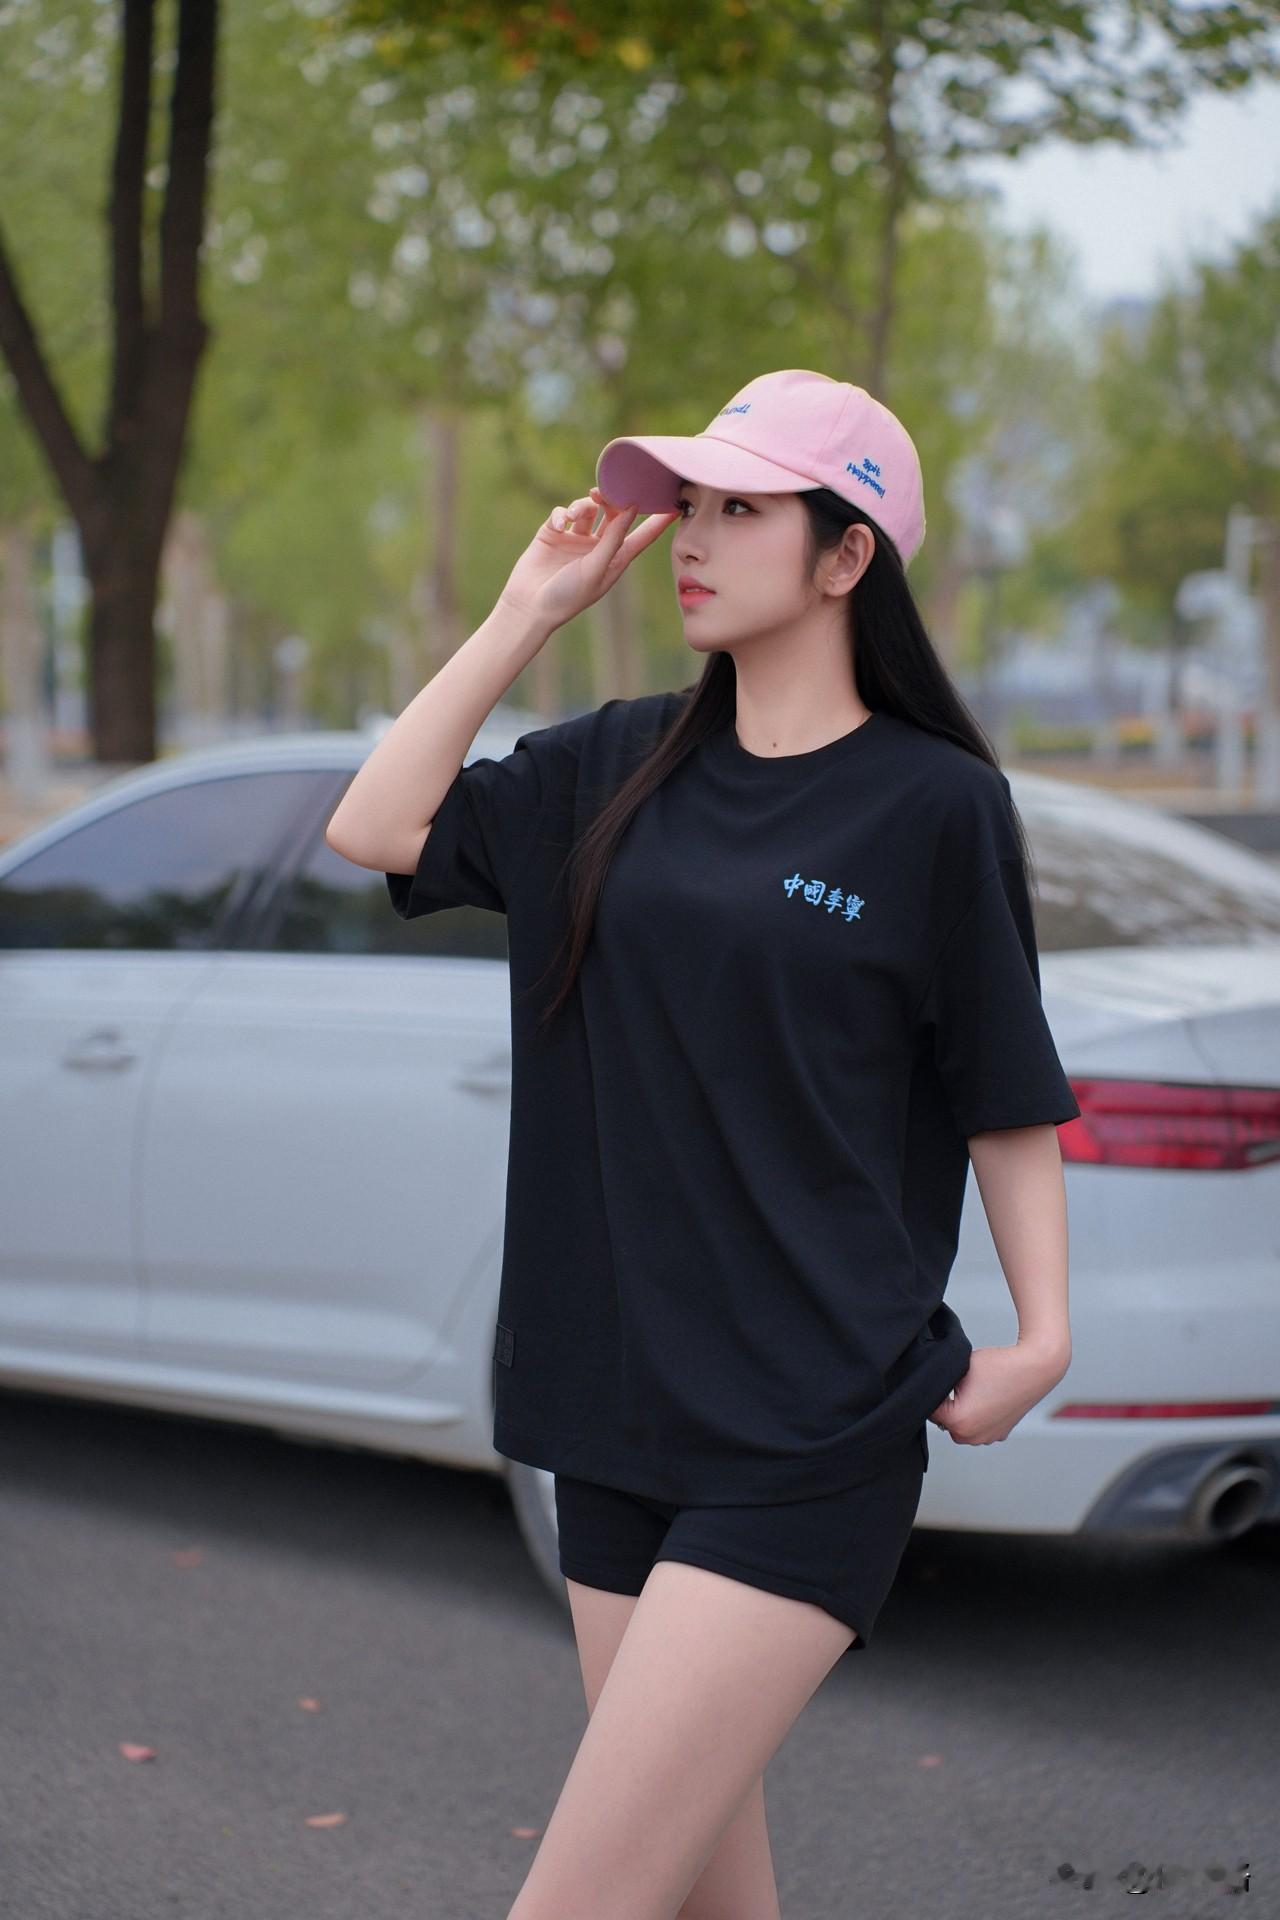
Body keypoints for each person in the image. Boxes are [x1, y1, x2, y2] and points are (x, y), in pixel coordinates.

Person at [325, 367, 1080, 1920]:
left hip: (808, 1424)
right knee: (702, 1899)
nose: (692, 537)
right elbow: (377, 828)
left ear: (848, 554)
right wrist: (526, 611)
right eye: (691, 504)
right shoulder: (607, 767)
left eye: (743, 510)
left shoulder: (934, 807)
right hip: (611, 1407)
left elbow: (1002, 1088)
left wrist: (1045, 1334)